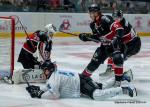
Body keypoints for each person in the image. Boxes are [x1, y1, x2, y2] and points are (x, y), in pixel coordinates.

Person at [26, 60, 137, 100]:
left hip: (81, 83)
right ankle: (123, 76)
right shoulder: (54, 75)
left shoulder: (53, 78)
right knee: (101, 86)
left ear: (49, 70)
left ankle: (125, 89)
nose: (43, 72)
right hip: (82, 80)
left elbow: (54, 94)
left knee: (97, 95)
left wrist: (40, 94)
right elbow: (50, 87)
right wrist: (39, 88)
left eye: (44, 70)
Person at [78, 4, 126, 86]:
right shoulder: (92, 25)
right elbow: (97, 38)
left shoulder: (105, 19)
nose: (91, 15)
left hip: (115, 45)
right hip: (104, 47)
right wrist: (87, 37)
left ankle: (118, 82)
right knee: (93, 63)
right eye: (90, 13)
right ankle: (82, 79)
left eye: (93, 13)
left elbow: (120, 29)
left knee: (117, 58)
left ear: (98, 13)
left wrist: (116, 39)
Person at [101, 10, 141, 76]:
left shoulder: (123, 26)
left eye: (117, 17)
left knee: (118, 57)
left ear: (121, 17)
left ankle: (118, 74)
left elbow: (117, 37)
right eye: (114, 17)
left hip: (133, 45)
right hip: (128, 43)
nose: (115, 19)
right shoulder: (118, 24)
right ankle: (110, 70)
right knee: (113, 52)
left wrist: (106, 38)